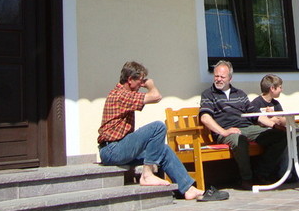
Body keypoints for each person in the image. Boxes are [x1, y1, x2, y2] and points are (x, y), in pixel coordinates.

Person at [98, 61, 228, 201]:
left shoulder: (125, 94)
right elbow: (156, 96)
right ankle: (147, 175)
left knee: (163, 149)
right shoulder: (121, 95)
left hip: (120, 148)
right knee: (158, 127)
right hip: (112, 150)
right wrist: (150, 85)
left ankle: (189, 189)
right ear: (130, 79)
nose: (141, 85)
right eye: (140, 81)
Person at [199, 61, 288, 190]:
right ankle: (247, 179)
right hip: (226, 131)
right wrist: (223, 132)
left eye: (222, 77)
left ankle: (261, 173)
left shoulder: (240, 94)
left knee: (280, 135)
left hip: (247, 128)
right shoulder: (208, 94)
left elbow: (255, 114)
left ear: (230, 78)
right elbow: (205, 117)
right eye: (216, 76)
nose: (218, 79)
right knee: (239, 139)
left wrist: (274, 126)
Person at [249, 74, 299, 180]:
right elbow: (257, 122)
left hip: (279, 129)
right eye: (280, 87)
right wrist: (273, 119)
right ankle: (284, 173)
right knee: (285, 136)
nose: (282, 90)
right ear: (272, 88)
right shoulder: (256, 103)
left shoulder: (275, 103)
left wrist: (275, 117)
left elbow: (284, 119)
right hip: (265, 133)